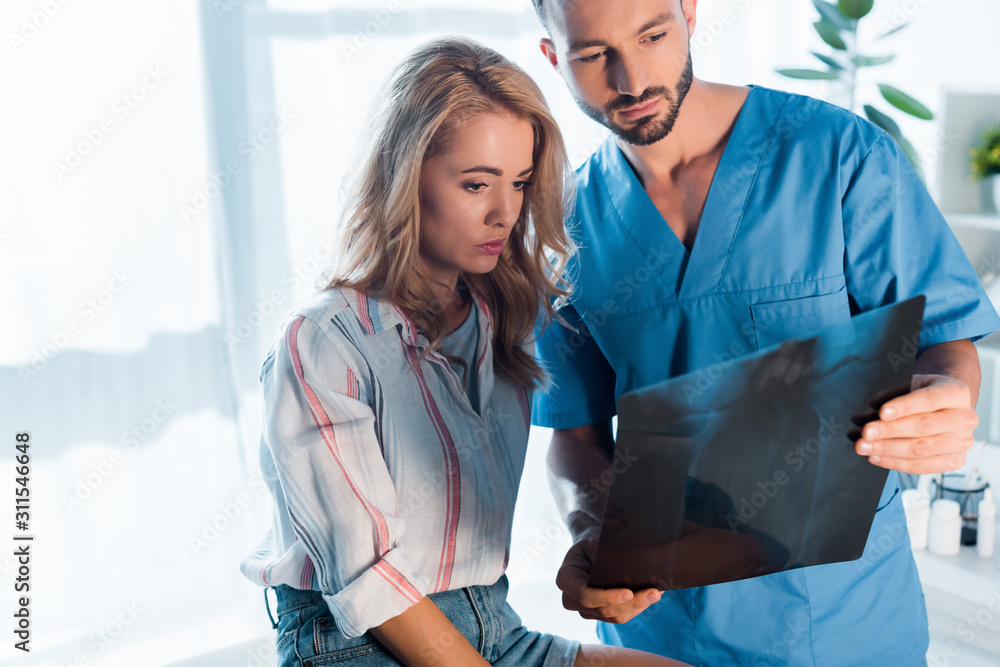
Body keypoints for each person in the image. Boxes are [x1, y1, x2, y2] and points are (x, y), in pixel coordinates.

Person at [527, 0, 1000, 664]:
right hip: (660, 637)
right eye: (591, 54)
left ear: (690, 12)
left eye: (653, 35)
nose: (631, 79)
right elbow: (573, 434)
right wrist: (590, 528)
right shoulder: (567, 230)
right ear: (552, 56)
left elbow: (945, 338)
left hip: (842, 622)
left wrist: (950, 394)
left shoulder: (836, 154)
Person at [239, 36, 690, 667]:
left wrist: (596, 546)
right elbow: (369, 582)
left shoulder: (504, 318)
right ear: (404, 179)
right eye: (476, 184)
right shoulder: (323, 342)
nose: (505, 214)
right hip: (362, 644)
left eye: (521, 183)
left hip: (494, 625)